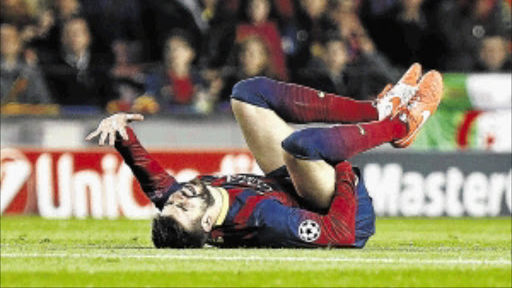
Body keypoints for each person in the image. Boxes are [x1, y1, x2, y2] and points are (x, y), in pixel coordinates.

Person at [86, 63, 443, 248]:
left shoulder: (186, 199)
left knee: (247, 93)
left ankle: (375, 111)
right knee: (301, 148)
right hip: (338, 208)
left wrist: (122, 135)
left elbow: (156, 183)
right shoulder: (265, 220)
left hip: (292, 181)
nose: (177, 197)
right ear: (208, 226)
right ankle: (400, 126)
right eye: (183, 208)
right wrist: (343, 168)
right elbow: (342, 233)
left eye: (171, 204)